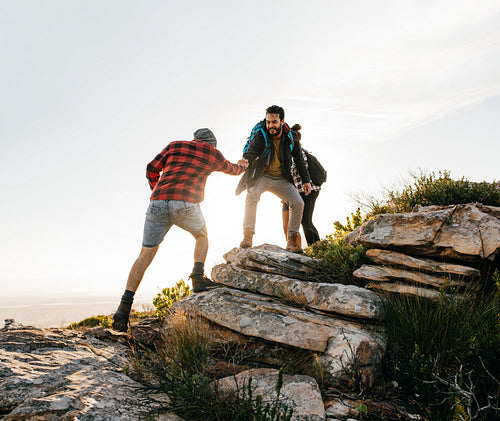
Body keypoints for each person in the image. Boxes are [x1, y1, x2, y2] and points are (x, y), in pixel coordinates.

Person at [112, 128, 248, 332]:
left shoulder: (174, 145)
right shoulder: (212, 153)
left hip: (157, 203)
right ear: (212, 144)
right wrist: (243, 165)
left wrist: (156, 188)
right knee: (202, 236)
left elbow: (151, 168)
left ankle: (123, 309)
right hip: (186, 204)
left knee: (145, 255)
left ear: (195, 139)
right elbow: (232, 170)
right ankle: (198, 278)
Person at [236, 105, 311, 253]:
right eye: (268, 122)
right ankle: (247, 236)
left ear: (282, 121)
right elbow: (251, 152)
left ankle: (292, 241)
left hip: (281, 179)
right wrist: (245, 160)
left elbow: (298, 159)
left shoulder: (291, 137)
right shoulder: (261, 134)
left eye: (274, 122)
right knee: (252, 195)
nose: (271, 125)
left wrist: (306, 180)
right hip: (262, 176)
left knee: (298, 203)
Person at [281, 124, 321, 247]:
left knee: (305, 220)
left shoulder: (299, 154)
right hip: (300, 192)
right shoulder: (291, 154)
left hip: (308, 191)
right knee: (304, 221)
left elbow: (298, 173)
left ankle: (315, 247)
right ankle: (312, 246)